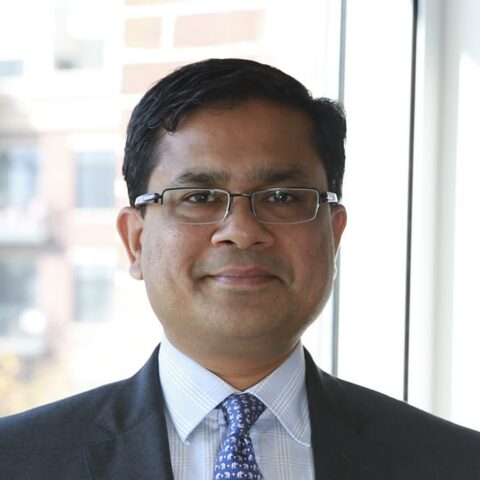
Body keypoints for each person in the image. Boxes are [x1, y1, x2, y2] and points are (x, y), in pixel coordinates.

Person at [0, 58, 479, 480]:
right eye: (199, 197)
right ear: (136, 240)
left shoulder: (456, 462)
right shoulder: (16, 460)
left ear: (333, 235)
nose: (243, 231)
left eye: (282, 197)